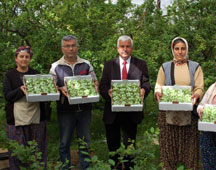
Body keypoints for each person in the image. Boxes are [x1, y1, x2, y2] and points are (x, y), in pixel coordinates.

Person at [99, 35, 151, 169]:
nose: (125, 49)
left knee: (130, 149)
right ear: (117, 48)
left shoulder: (140, 64)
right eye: (122, 46)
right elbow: (103, 85)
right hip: (112, 113)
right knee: (113, 149)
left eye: (128, 46)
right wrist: (108, 93)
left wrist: (144, 90)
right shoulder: (109, 65)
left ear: (132, 48)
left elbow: (146, 83)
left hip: (131, 113)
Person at [154, 37, 204, 170]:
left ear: (187, 49)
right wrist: (158, 92)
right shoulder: (165, 67)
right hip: (169, 113)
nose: (180, 52)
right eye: (177, 49)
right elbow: (159, 85)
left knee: (190, 146)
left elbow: (199, 86)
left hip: (189, 113)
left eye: (183, 48)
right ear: (172, 50)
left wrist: (197, 94)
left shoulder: (195, 66)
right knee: (169, 146)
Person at [49, 35, 98, 169]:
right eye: (67, 46)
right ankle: (66, 167)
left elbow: (94, 82)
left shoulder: (86, 64)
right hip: (65, 110)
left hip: (85, 109)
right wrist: (59, 88)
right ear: (62, 49)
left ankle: (85, 167)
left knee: (85, 141)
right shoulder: (55, 67)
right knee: (65, 142)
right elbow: (51, 88)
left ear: (77, 47)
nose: (70, 48)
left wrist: (95, 86)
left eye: (73, 45)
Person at [2, 46, 48, 169]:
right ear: (16, 59)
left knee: (38, 149)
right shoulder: (10, 75)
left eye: (27, 57)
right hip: (17, 118)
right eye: (21, 56)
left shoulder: (36, 74)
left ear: (30, 59)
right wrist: (20, 90)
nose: (24, 59)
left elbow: (44, 94)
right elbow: (7, 96)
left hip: (36, 116)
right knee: (18, 150)